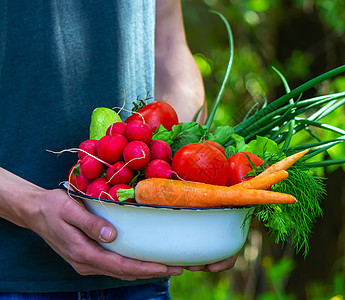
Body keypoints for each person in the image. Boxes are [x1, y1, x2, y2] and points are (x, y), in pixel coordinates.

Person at [0, 0, 237, 299]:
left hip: (140, 275)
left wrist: (194, 187)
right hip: (12, 275)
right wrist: (31, 205)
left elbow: (168, 47)